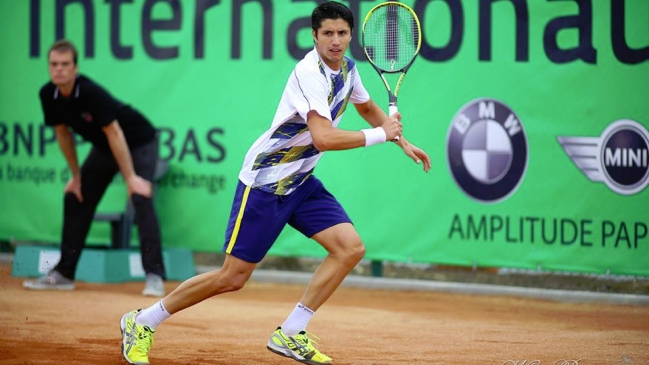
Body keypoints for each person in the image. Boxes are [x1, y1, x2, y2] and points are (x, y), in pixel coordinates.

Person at [119, 1, 430, 364]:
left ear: (350, 36)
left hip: (301, 181)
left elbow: (365, 107)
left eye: (342, 33)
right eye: (327, 33)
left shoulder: (348, 69)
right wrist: (380, 135)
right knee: (232, 277)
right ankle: (142, 321)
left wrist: (402, 141)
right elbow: (323, 138)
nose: (335, 41)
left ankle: (291, 332)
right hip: (266, 181)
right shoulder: (308, 74)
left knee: (349, 248)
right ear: (314, 36)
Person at [23, 39, 167, 297]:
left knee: (139, 196)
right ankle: (63, 273)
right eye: (54, 64)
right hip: (106, 147)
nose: (59, 69)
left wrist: (130, 177)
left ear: (75, 68)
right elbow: (63, 134)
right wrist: (76, 177)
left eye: (65, 64)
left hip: (138, 141)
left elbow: (115, 133)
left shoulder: (90, 93)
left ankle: (154, 276)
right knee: (75, 196)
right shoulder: (48, 95)